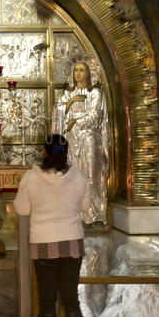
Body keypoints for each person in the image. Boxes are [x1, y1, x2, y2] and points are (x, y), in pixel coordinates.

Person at [13, 133, 92, 317]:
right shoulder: (78, 176)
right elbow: (85, 206)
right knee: (71, 300)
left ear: (44, 152)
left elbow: (22, 208)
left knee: (47, 301)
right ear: (66, 153)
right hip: (72, 243)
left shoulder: (31, 178)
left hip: (44, 244)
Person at [51, 62, 108, 224]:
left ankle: (93, 213)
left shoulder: (96, 93)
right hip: (72, 140)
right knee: (71, 174)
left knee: (90, 173)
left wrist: (75, 121)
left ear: (89, 73)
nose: (78, 73)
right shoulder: (68, 94)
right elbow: (57, 112)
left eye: (81, 70)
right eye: (75, 70)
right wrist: (71, 102)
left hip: (89, 137)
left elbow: (96, 115)